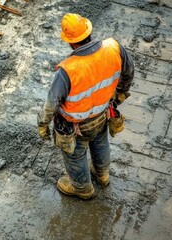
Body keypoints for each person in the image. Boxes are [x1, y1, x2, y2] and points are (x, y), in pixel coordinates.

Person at [37, 13, 134, 199]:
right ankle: (102, 175)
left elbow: (52, 103)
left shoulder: (68, 70)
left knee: (75, 154)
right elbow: (129, 71)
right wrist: (120, 93)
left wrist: (42, 124)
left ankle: (82, 188)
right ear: (89, 31)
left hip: (76, 126)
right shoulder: (113, 47)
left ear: (71, 43)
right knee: (100, 142)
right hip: (102, 115)